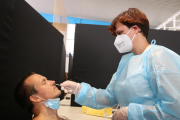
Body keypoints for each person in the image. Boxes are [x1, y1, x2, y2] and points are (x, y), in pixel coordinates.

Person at [60, 8, 180, 120]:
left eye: (120, 32)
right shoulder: (126, 60)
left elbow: (174, 109)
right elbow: (109, 97)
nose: (117, 39)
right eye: (116, 35)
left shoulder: (157, 56)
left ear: (135, 28)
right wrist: (79, 89)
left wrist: (130, 112)